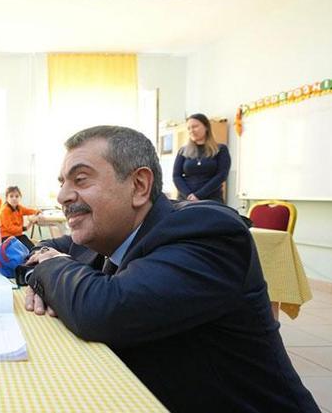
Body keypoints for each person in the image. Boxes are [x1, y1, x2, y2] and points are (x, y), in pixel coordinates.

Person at [22, 125, 319, 413]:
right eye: (62, 183)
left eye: (80, 180)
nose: (62, 196)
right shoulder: (105, 234)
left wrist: (51, 268)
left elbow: (104, 309)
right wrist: (45, 267)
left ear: (139, 186)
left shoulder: (207, 232)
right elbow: (44, 251)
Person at [172, 113, 231, 203]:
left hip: (211, 199)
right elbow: (176, 176)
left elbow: (222, 175)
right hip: (186, 200)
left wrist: (198, 195)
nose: (191, 131)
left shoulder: (221, 149)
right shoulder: (183, 151)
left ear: (206, 127)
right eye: (189, 128)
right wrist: (188, 195)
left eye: (195, 126)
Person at [0, 186, 40, 250]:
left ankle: (35, 252)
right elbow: (9, 228)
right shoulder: (4, 211)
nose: (14, 198)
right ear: (6, 198)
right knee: (22, 249)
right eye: (11, 196)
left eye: (17, 196)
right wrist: (23, 228)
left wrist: (36, 211)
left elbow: (27, 210)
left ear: (20, 198)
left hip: (17, 235)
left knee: (31, 247)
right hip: (7, 237)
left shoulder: (19, 207)